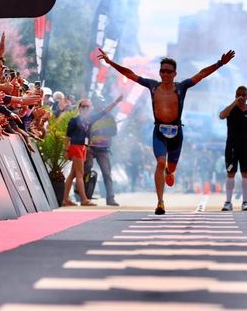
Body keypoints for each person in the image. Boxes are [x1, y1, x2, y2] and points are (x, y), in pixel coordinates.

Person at [98, 48, 235, 215]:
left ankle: (170, 171)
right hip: (159, 132)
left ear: (174, 73)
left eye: (168, 71)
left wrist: (220, 63)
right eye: (162, 71)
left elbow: (202, 74)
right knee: (160, 163)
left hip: (177, 133)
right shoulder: (152, 86)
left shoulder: (181, 87)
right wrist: (111, 63)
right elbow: (129, 74)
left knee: (170, 168)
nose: (165, 74)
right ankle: (160, 202)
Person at [63, 97, 121, 206]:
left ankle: (66, 199)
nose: (85, 108)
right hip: (79, 148)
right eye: (83, 106)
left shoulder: (91, 119)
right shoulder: (75, 120)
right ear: (79, 108)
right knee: (81, 173)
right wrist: (66, 150)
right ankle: (84, 199)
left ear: (90, 108)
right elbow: (67, 137)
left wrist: (116, 101)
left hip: (90, 148)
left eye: (87, 106)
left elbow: (105, 112)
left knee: (73, 174)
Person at [218, 86, 247, 211]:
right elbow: (221, 115)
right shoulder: (231, 110)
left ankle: (245, 202)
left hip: (246, 147)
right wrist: (234, 103)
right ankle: (228, 202)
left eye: (243, 94)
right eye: (238, 94)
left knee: (245, 173)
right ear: (235, 95)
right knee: (231, 173)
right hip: (232, 147)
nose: (241, 96)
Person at [83, 95, 121, 206]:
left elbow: (114, 132)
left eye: (100, 102)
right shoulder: (90, 116)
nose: (99, 104)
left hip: (103, 149)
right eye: (97, 102)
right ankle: (83, 195)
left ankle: (110, 198)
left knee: (107, 173)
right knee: (87, 167)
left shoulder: (109, 117)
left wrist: (104, 132)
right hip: (90, 147)